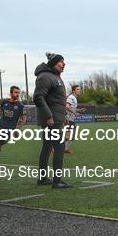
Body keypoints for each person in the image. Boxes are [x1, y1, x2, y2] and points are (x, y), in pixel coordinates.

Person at [33, 52, 71, 189]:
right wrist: (49, 116)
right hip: (51, 121)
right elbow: (38, 97)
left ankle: (43, 179)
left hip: (55, 118)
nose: (64, 64)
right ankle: (57, 181)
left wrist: (64, 115)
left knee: (47, 147)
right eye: (61, 61)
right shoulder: (45, 76)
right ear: (54, 63)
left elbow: (57, 101)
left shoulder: (55, 77)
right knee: (59, 147)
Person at [64, 85, 85, 154]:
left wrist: (79, 110)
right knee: (68, 135)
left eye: (79, 89)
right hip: (68, 119)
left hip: (71, 119)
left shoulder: (74, 98)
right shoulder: (71, 97)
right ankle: (55, 147)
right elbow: (67, 107)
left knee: (70, 135)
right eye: (78, 89)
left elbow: (72, 108)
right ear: (74, 91)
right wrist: (75, 113)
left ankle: (65, 148)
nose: (79, 90)